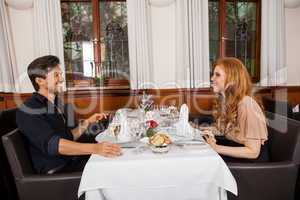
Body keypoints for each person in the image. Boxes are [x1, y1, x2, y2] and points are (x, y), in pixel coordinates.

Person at [16, 55, 121, 174]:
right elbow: (55, 146)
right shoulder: (28, 110)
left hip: (71, 160)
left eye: (60, 74)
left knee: (116, 158)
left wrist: (87, 122)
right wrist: (96, 148)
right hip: (58, 170)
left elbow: (68, 137)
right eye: (56, 75)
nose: (61, 79)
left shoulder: (56, 103)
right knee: (112, 167)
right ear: (40, 81)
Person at [203, 57, 268, 162]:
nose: (211, 78)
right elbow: (224, 130)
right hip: (238, 155)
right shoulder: (228, 101)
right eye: (213, 74)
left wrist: (216, 148)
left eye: (217, 75)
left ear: (232, 79)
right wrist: (198, 130)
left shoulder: (246, 104)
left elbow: (253, 152)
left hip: (252, 166)